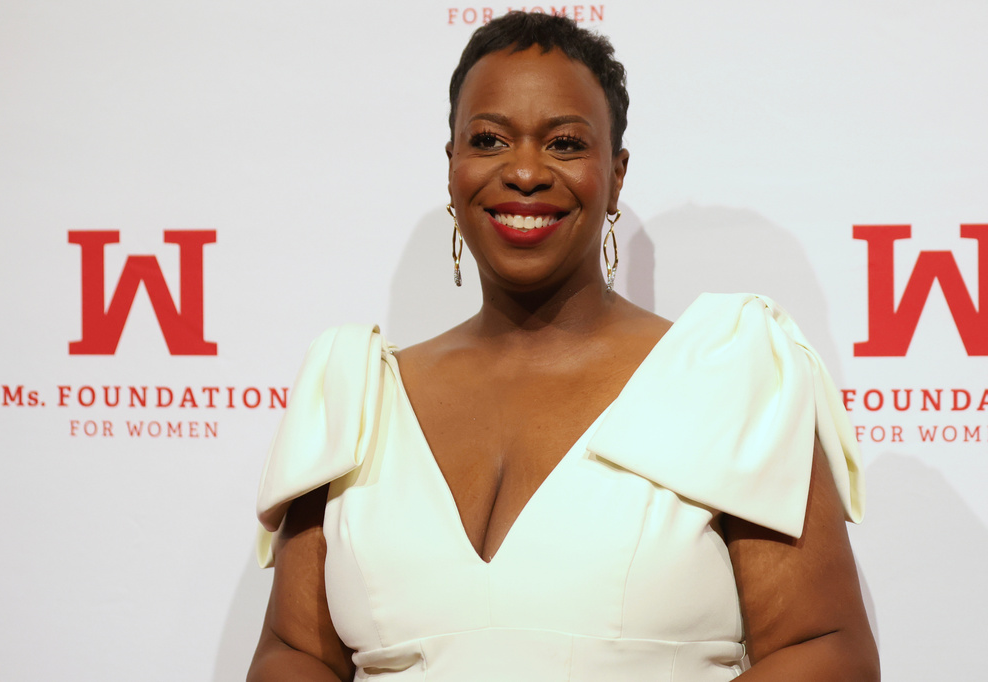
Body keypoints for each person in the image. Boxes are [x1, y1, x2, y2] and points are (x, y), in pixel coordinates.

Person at [247, 12, 879, 682]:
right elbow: (296, 654)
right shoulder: (354, 395)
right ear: (452, 167)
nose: (524, 172)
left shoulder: (731, 374)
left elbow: (822, 650)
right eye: (488, 140)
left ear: (617, 174)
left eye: (565, 144)